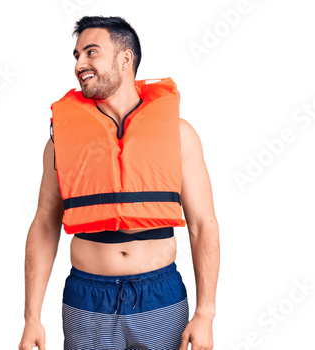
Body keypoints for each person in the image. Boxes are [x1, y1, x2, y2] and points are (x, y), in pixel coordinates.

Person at [18, 16, 219, 350]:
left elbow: (203, 224)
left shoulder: (179, 134)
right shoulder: (62, 140)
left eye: (91, 52)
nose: (79, 64)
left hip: (161, 296)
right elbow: (43, 223)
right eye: (77, 55)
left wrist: (206, 313)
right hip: (87, 299)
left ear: (125, 58)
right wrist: (31, 318)